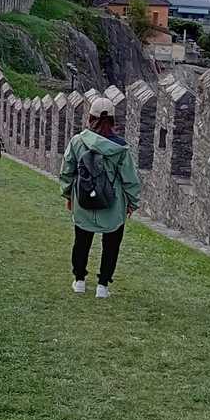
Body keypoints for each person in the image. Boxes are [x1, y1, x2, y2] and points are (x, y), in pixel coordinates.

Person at [59, 96, 140, 299]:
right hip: (113, 203)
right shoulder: (120, 148)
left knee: (81, 241)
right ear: (112, 120)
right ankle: (102, 286)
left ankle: (79, 281)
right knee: (111, 245)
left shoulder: (77, 142)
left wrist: (68, 194)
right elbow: (129, 178)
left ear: (90, 117)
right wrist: (132, 202)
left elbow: (67, 171)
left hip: (83, 200)